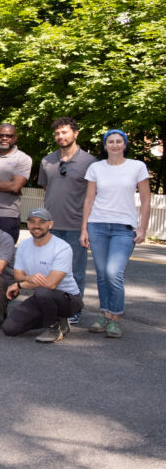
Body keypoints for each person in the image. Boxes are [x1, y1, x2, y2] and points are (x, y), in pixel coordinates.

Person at [80, 129, 151, 339]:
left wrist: (143, 228)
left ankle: (115, 319)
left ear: (125, 144)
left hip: (124, 228)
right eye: (110, 141)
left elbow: (146, 200)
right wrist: (84, 228)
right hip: (97, 225)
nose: (114, 145)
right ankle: (105, 315)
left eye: (119, 141)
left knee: (113, 273)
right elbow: (89, 200)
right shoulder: (96, 168)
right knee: (102, 275)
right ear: (105, 145)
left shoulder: (137, 167)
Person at [36, 117, 95, 324]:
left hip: (76, 226)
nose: (61, 136)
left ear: (76, 133)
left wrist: (85, 228)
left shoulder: (90, 162)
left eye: (65, 132)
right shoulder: (47, 160)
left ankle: (74, 310)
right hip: (50, 226)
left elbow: (92, 195)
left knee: (75, 272)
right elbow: (47, 189)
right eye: (57, 133)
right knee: (48, 270)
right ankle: (52, 308)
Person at [0, 209, 83, 342]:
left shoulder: (62, 248)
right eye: (32, 222)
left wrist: (20, 285)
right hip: (43, 299)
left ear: (50, 224)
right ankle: (59, 321)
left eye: (41, 222)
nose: (36, 226)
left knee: (43, 291)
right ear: (27, 224)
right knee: (9, 328)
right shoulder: (24, 245)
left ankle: (52, 327)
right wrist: (29, 277)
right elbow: (18, 274)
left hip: (68, 300)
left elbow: (51, 284)